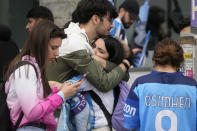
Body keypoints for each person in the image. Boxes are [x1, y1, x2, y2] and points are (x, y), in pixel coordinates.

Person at [4, 20, 83, 131]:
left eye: (58, 48)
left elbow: (39, 105)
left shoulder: (32, 67)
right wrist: (61, 95)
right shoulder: (26, 69)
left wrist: (59, 91)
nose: (57, 54)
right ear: (39, 44)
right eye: (53, 48)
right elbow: (32, 112)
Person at [48, 0, 132, 93]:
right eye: (109, 20)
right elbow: (104, 83)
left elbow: (124, 75)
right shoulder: (75, 43)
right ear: (95, 19)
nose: (112, 25)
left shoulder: (75, 34)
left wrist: (102, 62)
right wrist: (126, 63)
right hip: (55, 105)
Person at [123, 38, 197, 131]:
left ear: (155, 60)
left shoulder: (140, 84)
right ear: (180, 62)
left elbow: (129, 123)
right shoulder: (193, 87)